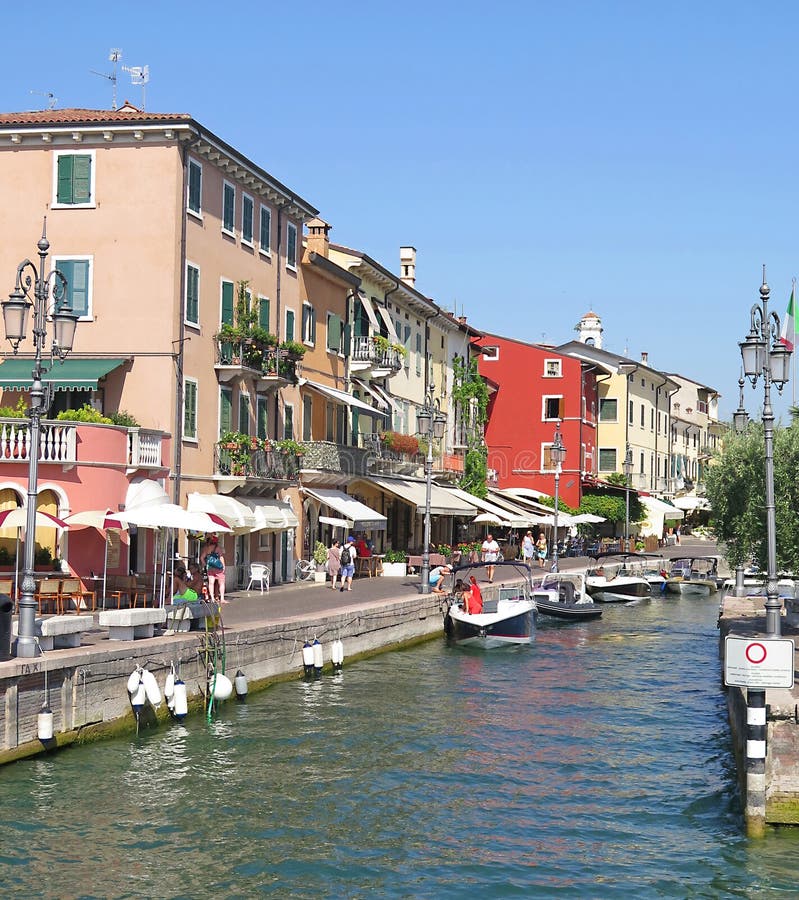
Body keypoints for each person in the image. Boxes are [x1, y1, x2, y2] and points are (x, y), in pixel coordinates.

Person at [201, 536, 227, 604]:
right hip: (218, 568)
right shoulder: (218, 548)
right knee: (221, 583)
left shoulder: (206, 548)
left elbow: (202, 558)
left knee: (211, 583)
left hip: (210, 568)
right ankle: (222, 598)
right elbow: (221, 557)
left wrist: (205, 564)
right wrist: (223, 566)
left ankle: (212, 598)